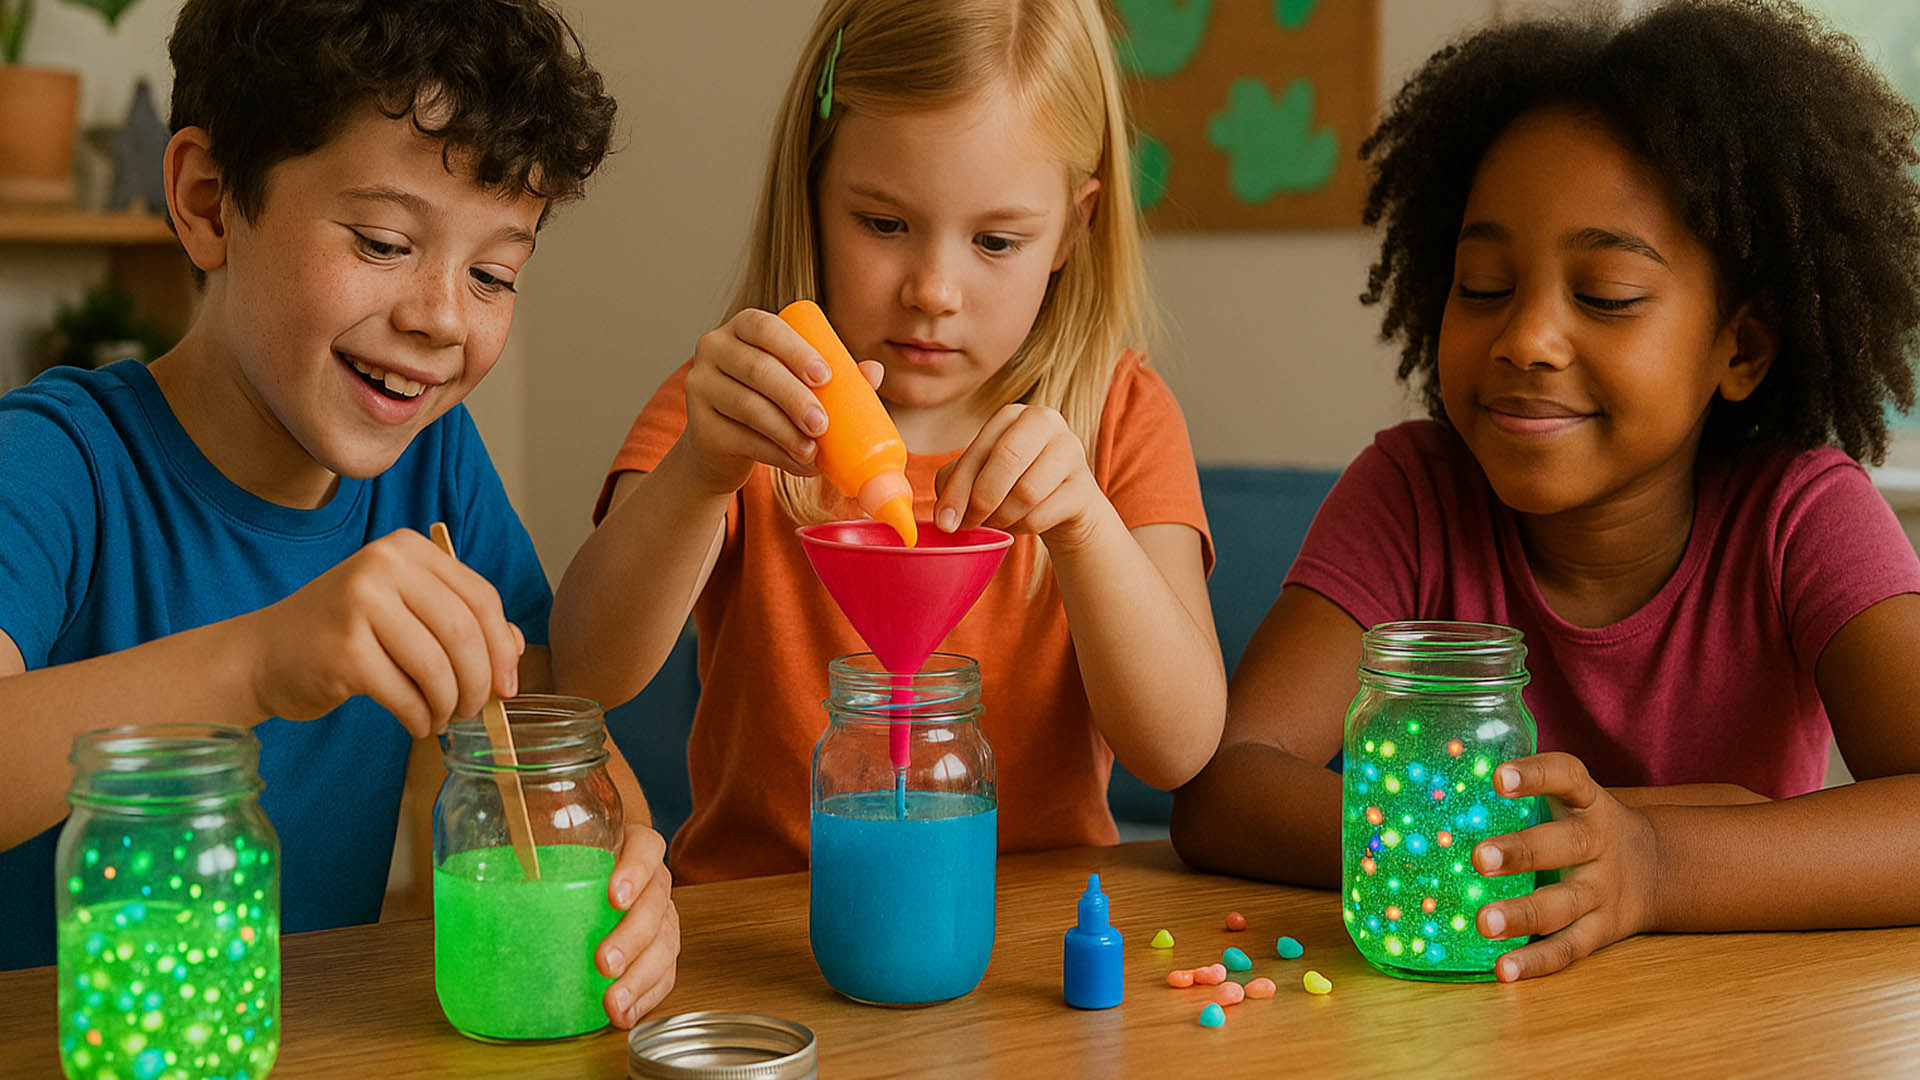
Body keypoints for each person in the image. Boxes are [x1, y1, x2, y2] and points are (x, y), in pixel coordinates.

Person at [1172, 0, 1920, 981]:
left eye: (1605, 295)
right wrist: (1548, 845)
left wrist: (1650, 863)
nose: (1525, 338)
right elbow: (1225, 783)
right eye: (1483, 285)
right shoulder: (1412, 495)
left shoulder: (1801, 516)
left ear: (1740, 345)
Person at [0, 0, 677, 1025]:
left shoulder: (432, 466)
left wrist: (624, 863)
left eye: (493, 273)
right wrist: (265, 660)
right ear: (210, 200)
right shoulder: (52, 463)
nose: (442, 315)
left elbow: (534, 717)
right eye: (382, 241)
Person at [551, 0, 1225, 882]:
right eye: (884, 224)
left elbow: (1179, 749)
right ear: (814, 192)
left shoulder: (1119, 417)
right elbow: (587, 672)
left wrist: (1086, 530)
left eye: (995, 240)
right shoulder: (735, 404)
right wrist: (701, 472)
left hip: (1029, 936)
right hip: (760, 927)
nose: (934, 289)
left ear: (1076, 227)